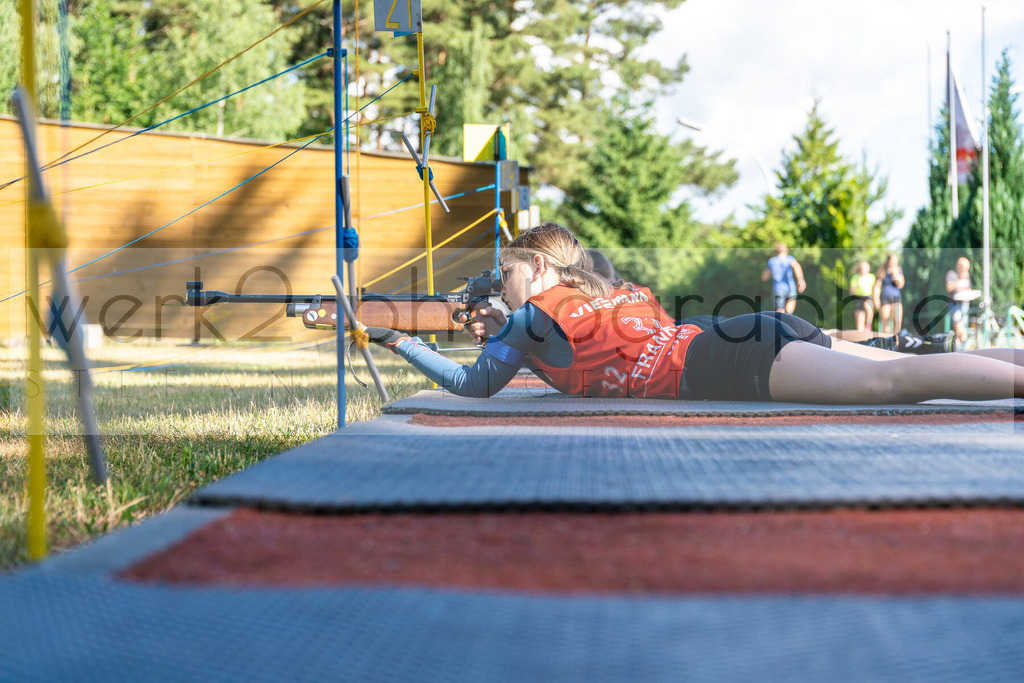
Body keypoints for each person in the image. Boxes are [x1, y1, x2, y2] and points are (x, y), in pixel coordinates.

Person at [361, 224, 1022, 403]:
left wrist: (394, 338)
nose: (503, 285)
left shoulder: (530, 316)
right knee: (904, 361)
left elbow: (474, 383)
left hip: (727, 358)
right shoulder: (597, 285)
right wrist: (497, 326)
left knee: (893, 382)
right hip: (739, 335)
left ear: (536, 267)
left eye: (507, 272)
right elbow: (566, 353)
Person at [762, 243, 806, 314]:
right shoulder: (789, 259)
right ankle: (788, 318)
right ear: (786, 250)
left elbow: (764, 278)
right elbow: (797, 267)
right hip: (791, 288)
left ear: (776, 251)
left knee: (779, 312)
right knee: (789, 313)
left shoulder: (772, 261)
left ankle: (781, 320)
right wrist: (801, 280)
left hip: (778, 289)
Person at [874, 254, 905, 336]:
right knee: (885, 322)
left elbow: (900, 285)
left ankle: (896, 339)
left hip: (896, 298)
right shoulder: (882, 271)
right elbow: (877, 286)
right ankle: (885, 339)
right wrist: (876, 299)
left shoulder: (899, 270)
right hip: (885, 298)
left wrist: (895, 274)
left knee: (897, 321)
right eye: (892, 261)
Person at [946, 257, 973, 344]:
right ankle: (963, 338)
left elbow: (969, 288)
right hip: (954, 304)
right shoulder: (951, 274)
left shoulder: (967, 277)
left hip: (964, 304)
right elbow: (948, 287)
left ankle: (957, 344)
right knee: (958, 324)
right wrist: (960, 280)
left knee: (961, 325)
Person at [848, 261, 876, 333]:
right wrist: (853, 290)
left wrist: (875, 299)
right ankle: (860, 332)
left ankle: (868, 325)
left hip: (868, 297)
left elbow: (874, 289)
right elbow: (851, 290)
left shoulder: (871, 277)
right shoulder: (856, 277)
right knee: (859, 316)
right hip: (858, 297)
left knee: (868, 307)